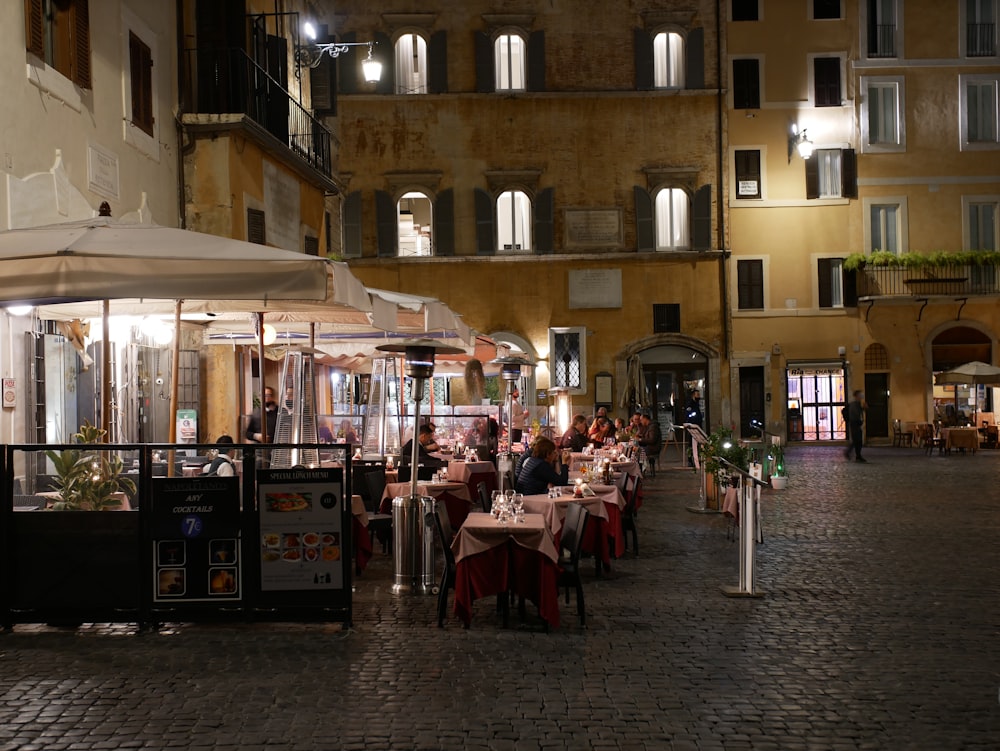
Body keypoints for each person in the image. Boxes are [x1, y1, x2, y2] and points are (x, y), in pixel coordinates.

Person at [845, 390, 867, 462]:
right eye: (860, 395)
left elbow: (859, 412)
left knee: (858, 440)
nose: (861, 396)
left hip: (857, 424)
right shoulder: (854, 404)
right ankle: (848, 453)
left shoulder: (858, 403)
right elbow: (856, 414)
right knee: (856, 440)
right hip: (854, 424)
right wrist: (862, 409)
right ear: (857, 396)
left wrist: (863, 408)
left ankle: (858, 456)